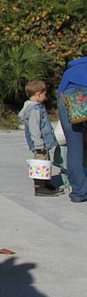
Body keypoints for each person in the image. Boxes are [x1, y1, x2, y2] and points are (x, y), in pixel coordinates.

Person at [19, 80, 62, 197]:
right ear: (39, 94)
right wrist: (38, 143)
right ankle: (39, 186)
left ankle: (46, 183)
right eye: (45, 94)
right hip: (40, 143)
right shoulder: (34, 110)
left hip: (44, 143)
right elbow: (34, 129)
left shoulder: (37, 107)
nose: (46, 97)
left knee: (46, 162)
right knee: (40, 163)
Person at [57, 57, 87, 203]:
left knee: (74, 149)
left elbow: (60, 94)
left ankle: (78, 193)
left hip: (67, 100)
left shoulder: (69, 71)